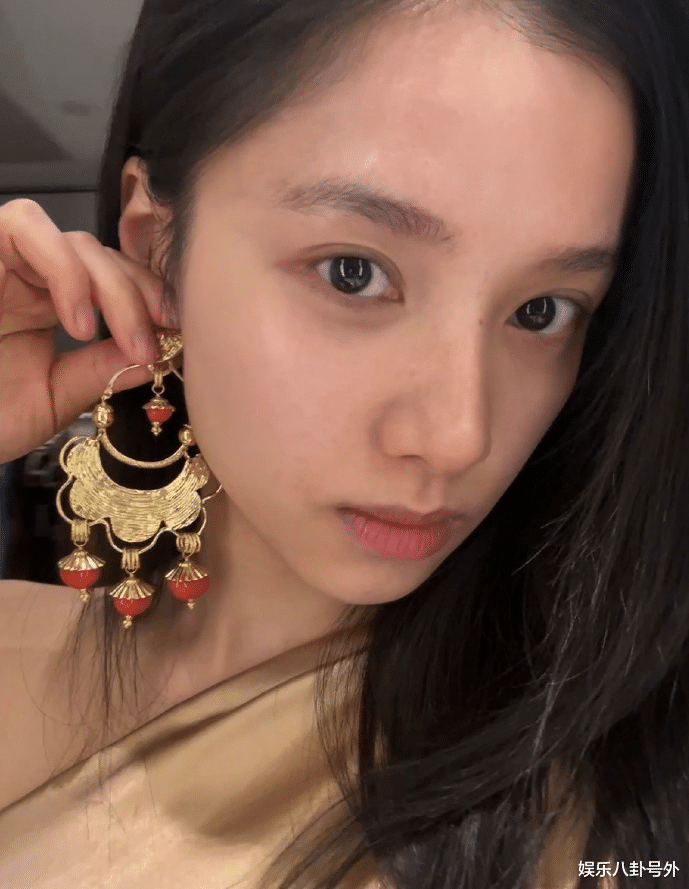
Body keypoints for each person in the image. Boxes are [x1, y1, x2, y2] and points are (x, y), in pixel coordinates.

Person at [0, 0, 687, 886]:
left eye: (541, 311)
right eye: (353, 273)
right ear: (158, 244)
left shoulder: (595, 820)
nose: (457, 436)